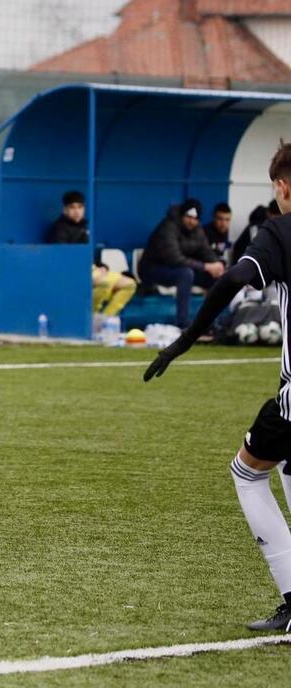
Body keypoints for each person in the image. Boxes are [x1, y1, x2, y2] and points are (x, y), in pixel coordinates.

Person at [144, 140, 291, 633]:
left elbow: (232, 279)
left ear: (281, 187)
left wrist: (184, 340)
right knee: (286, 461)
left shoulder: (279, 230)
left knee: (247, 473)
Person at [45, 190, 135, 317]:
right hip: (72, 273)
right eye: (72, 207)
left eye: (80, 207)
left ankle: (105, 318)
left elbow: (88, 254)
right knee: (104, 282)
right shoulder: (59, 229)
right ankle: (91, 317)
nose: (77, 211)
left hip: (90, 269)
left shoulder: (84, 227)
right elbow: (63, 259)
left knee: (129, 284)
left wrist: (102, 266)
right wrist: (90, 269)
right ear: (65, 210)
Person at [137, 198, 224, 329]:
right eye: (189, 217)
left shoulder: (197, 230)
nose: (191, 221)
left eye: (195, 219)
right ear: (182, 215)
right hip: (152, 270)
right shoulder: (168, 226)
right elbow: (174, 258)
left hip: (178, 269)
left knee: (215, 276)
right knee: (186, 274)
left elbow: (205, 250)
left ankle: (212, 323)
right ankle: (183, 324)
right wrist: (205, 266)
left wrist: (216, 265)